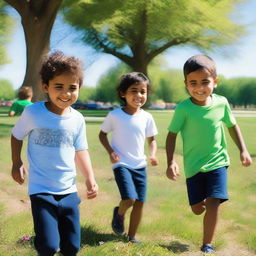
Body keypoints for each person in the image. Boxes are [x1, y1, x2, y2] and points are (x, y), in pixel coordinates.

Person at [10, 51, 98, 256]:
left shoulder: (77, 119)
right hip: (41, 190)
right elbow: (16, 136)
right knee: (48, 246)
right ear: (45, 87)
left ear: (79, 88)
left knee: (72, 247)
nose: (66, 93)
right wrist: (16, 163)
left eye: (72, 88)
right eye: (59, 87)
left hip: (68, 190)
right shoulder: (33, 112)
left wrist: (90, 178)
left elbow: (81, 150)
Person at [165, 54, 252, 254]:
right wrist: (170, 162)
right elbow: (171, 136)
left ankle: (207, 245)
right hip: (194, 166)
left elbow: (232, 126)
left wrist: (243, 150)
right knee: (198, 208)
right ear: (185, 83)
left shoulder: (221, 103)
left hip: (218, 161)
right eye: (193, 83)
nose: (199, 87)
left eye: (205, 82)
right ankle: (201, 203)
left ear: (215, 81)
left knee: (214, 202)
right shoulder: (183, 108)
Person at [99, 72, 158, 243]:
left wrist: (153, 155)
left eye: (143, 91)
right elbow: (102, 135)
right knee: (130, 199)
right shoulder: (115, 115)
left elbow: (152, 140)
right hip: (121, 163)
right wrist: (111, 152)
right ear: (123, 93)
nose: (139, 95)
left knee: (139, 202)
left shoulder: (147, 117)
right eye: (134, 90)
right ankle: (119, 213)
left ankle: (131, 237)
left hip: (140, 165)